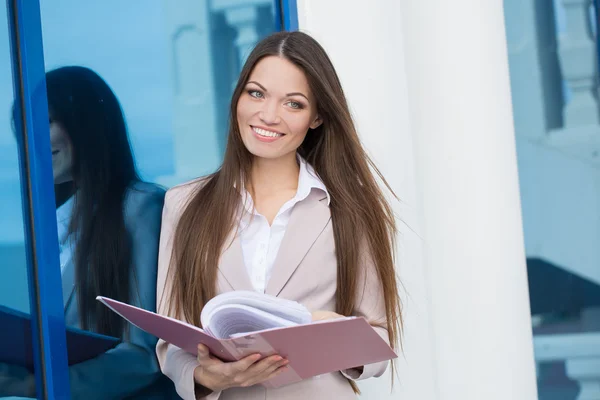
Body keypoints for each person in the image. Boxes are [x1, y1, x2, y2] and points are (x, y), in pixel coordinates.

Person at [156, 31, 402, 400]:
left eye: (294, 104)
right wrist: (207, 377)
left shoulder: (351, 209)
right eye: (256, 93)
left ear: (317, 117)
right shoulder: (184, 204)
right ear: (238, 97)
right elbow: (170, 341)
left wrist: (328, 330)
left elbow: (379, 340)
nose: (268, 115)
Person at [0, 66, 175, 399]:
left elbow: (146, 352)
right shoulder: (56, 227)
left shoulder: (141, 207)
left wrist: (36, 386)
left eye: (48, 121)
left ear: (88, 127)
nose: (31, 137)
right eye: (23, 126)